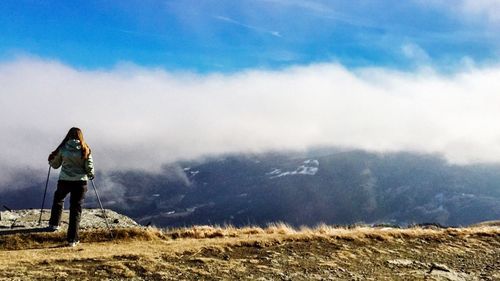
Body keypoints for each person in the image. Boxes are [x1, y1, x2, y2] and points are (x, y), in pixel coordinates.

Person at [47, 127, 94, 247]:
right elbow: (89, 166)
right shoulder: (85, 149)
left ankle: (54, 224)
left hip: (64, 180)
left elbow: (56, 165)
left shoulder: (63, 149)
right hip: (80, 182)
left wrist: (51, 161)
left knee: (58, 199)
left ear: (68, 136)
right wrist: (90, 174)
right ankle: (72, 239)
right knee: (76, 208)